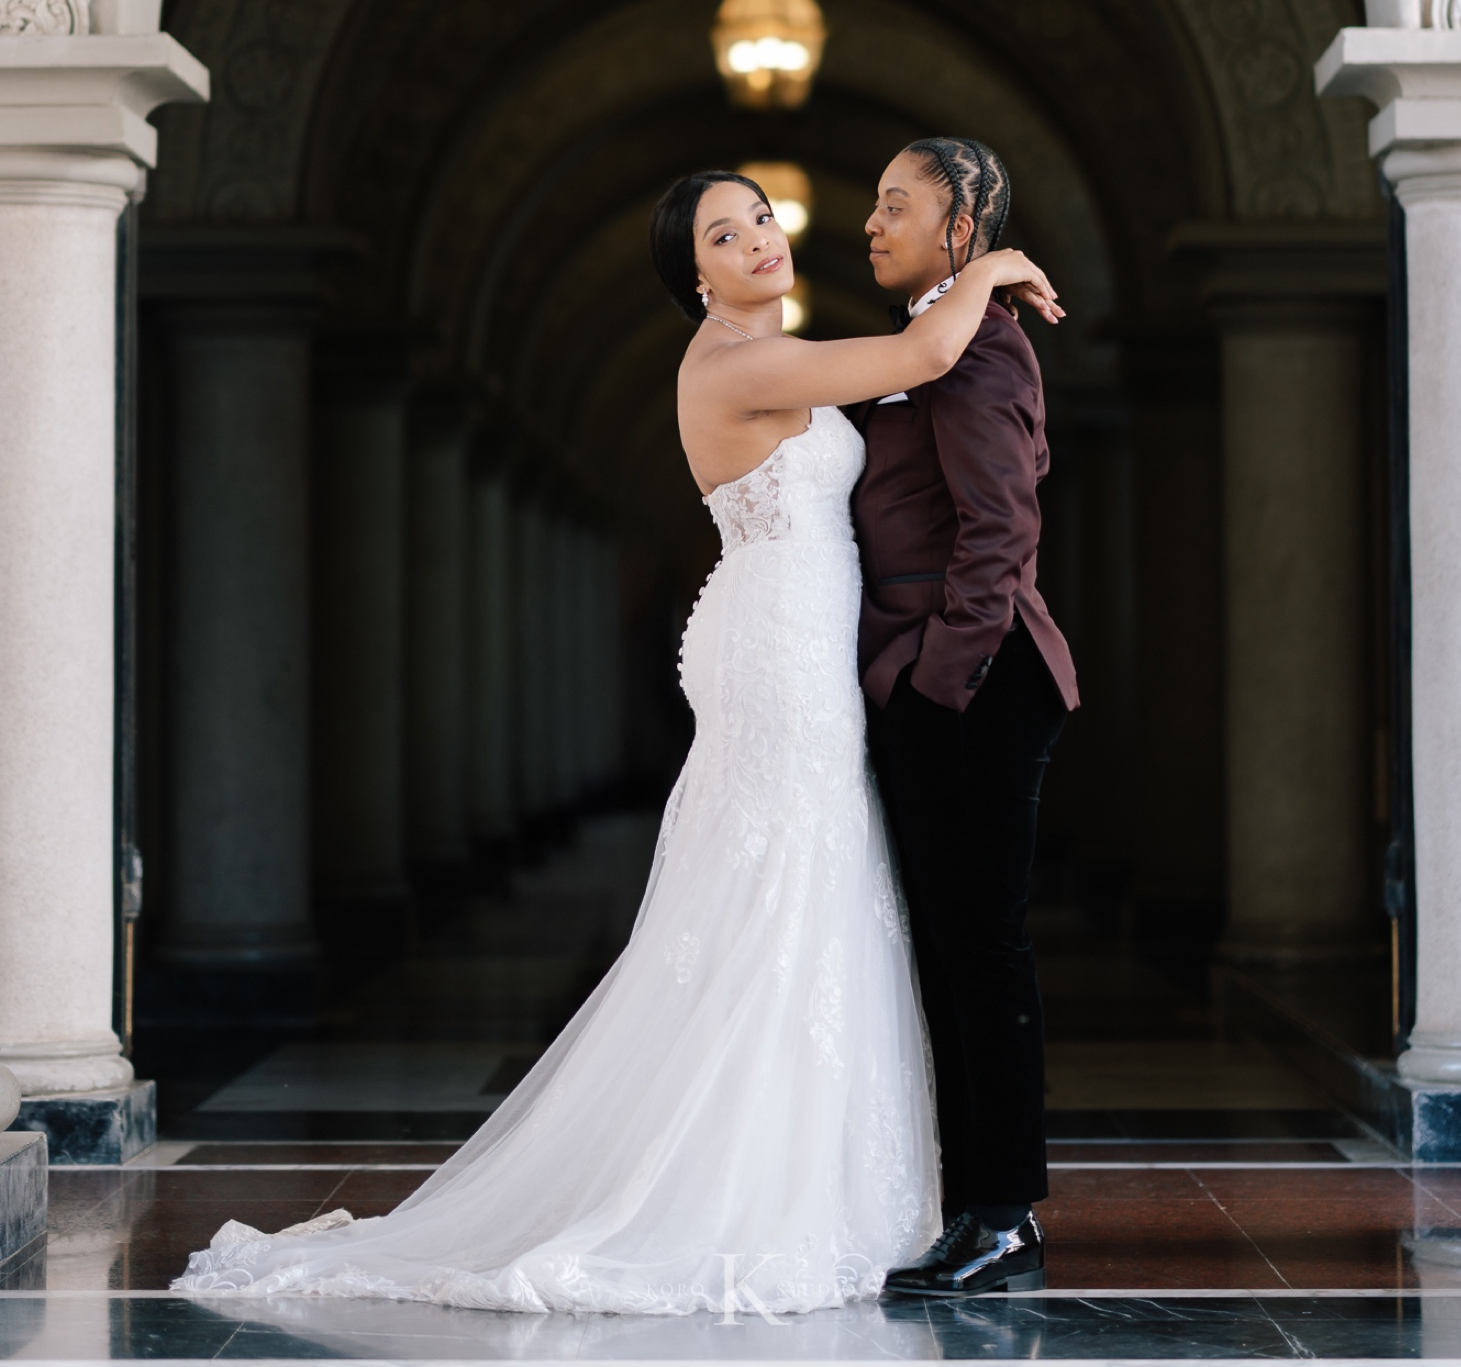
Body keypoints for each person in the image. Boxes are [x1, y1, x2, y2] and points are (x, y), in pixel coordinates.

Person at [171, 168, 1060, 1318]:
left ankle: (826, 1178)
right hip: (782, 652)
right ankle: (747, 1186)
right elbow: (919, 359)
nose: (757, 241)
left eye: (761, 219)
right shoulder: (737, 364)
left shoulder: (764, 357)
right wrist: (991, 262)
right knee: (785, 887)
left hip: (794, 635)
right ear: (696, 276)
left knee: (808, 891)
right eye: (724, 234)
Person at [851, 138, 1078, 1300]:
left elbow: (999, 530)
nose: (872, 222)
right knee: (950, 946)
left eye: (899, 204)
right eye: (873, 203)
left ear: (960, 228)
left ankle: (1000, 1210)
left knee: (980, 950)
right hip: (942, 673)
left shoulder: (979, 343)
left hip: (974, 680)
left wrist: (934, 681)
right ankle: (979, 1199)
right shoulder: (934, 332)